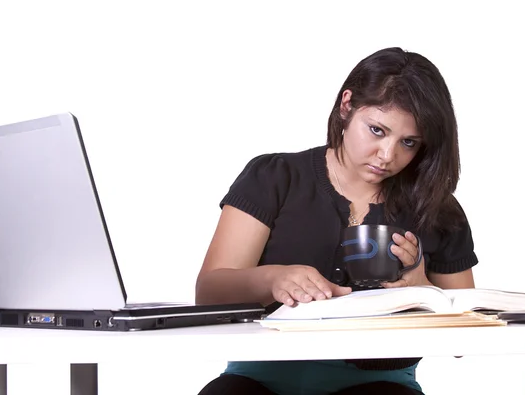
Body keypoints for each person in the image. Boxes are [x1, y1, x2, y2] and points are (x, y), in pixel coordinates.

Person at [195, 46, 478, 395]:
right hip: (258, 380)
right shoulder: (274, 178)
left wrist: (425, 290)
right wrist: (272, 278)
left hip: (380, 386)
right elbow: (208, 294)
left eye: (408, 142)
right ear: (347, 106)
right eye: (376, 130)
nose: (388, 156)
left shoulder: (439, 210)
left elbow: (466, 339)